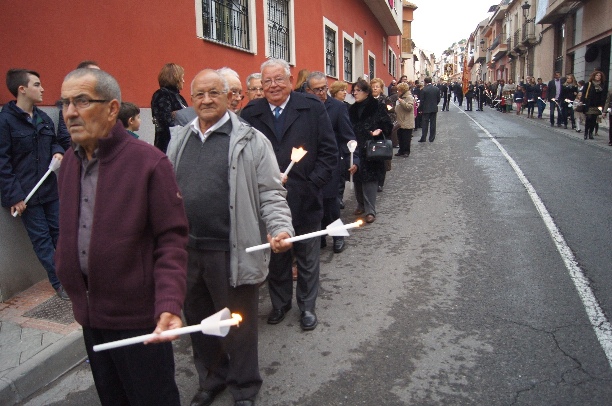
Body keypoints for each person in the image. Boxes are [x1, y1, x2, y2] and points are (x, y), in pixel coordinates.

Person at [55, 68, 189, 406]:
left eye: (82, 101)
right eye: (65, 103)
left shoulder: (149, 163)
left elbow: (172, 240)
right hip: (90, 313)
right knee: (113, 398)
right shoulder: (69, 164)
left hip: (138, 320)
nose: (70, 112)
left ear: (113, 108)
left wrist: (169, 303)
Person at [167, 68, 294, 406]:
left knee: (239, 325)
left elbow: (271, 192)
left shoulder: (251, 141)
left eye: (213, 93)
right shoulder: (179, 138)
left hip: (233, 249)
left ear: (229, 97)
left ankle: (244, 387)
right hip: (189, 251)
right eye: (199, 95)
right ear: (191, 100)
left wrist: (280, 228)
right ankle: (212, 378)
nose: (206, 100)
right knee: (202, 323)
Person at [241, 58, 337, 331]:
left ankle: (307, 307)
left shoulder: (311, 107)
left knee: (307, 257)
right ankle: (280, 303)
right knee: (277, 257)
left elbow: (329, 153)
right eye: (267, 81)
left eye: (278, 79)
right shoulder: (251, 113)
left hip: (305, 197)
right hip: (269, 201)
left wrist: (312, 183)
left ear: (290, 80)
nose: (272, 86)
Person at [0, 69, 67, 300]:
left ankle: (71, 277)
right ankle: (59, 283)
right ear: (22, 89)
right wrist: (14, 196)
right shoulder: (5, 121)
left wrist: (58, 153)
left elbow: (56, 143)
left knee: (61, 233)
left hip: (49, 190)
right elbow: (3, 162)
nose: (43, 89)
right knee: (42, 240)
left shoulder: (43, 118)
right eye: (37, 85)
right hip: (26, 196)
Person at [305, 71, 357, 254]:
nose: (321, 93)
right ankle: (319, 237)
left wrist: (354, 158)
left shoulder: (338, 107)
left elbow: (348, 137)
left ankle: (337, 236)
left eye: (323, 89)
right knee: (313, 202)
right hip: (309, 164)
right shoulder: (305, 106)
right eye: (316, 90)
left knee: (331, 204)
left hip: (331, 163)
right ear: (308, 90)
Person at [348, 79, 393, 223]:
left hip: (372, 147)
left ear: (366, 92)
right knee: (358, 177)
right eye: (353, 91)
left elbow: (387, 123)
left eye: (358, 90)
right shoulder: (352, 109)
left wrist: (380, 130)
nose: (354, 93)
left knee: (370, 179)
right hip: (356, 147)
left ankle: (370, 210)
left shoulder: (377, 106)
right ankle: (361, 204)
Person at [56, 60, 101, 151]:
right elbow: (65, 137)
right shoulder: (68, 104)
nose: (100, 77)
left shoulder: (105, 101)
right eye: (95, 73)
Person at [151, 63, 187, 152]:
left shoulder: (179, 97)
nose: (184, 81)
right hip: (167, 145)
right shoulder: (162, 94)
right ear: (175, 78)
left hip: (180, 143)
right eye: (182, 77)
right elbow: (165, 120)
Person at [581, 70, 607, 140]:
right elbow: (584, 94)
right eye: (597, 75)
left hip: (597, 105)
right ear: (594, 76)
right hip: (589, 104)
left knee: (594, 120)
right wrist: (582, 102)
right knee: (588, 118)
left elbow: (604, 96)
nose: (598, 77)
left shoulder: (602, 85)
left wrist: (602, 105)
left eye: (599, 76)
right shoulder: (588, 84)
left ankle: (590, 133)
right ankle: (586, 132)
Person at [394, 82, 415, 157]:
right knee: (400, 137)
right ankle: (401, 150)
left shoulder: (408, 97)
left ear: (402, 90)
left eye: (399, 90)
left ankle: (406, 151)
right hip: (400, 120)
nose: (397, 92)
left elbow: (409, 107)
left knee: (406, 138)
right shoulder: (401, 97)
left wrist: (402, 102)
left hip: (406, 120)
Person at [418, 77, 441, 143]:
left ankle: (423, 137)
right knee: (433, 124)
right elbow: (438, 99)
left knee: (425, 124)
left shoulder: (423, 89)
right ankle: (432, 138)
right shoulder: (436, 89)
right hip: (434, 108)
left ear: (425, 82)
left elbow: (422, 101)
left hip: (425, 109)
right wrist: (435, 104)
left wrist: (420, 109)